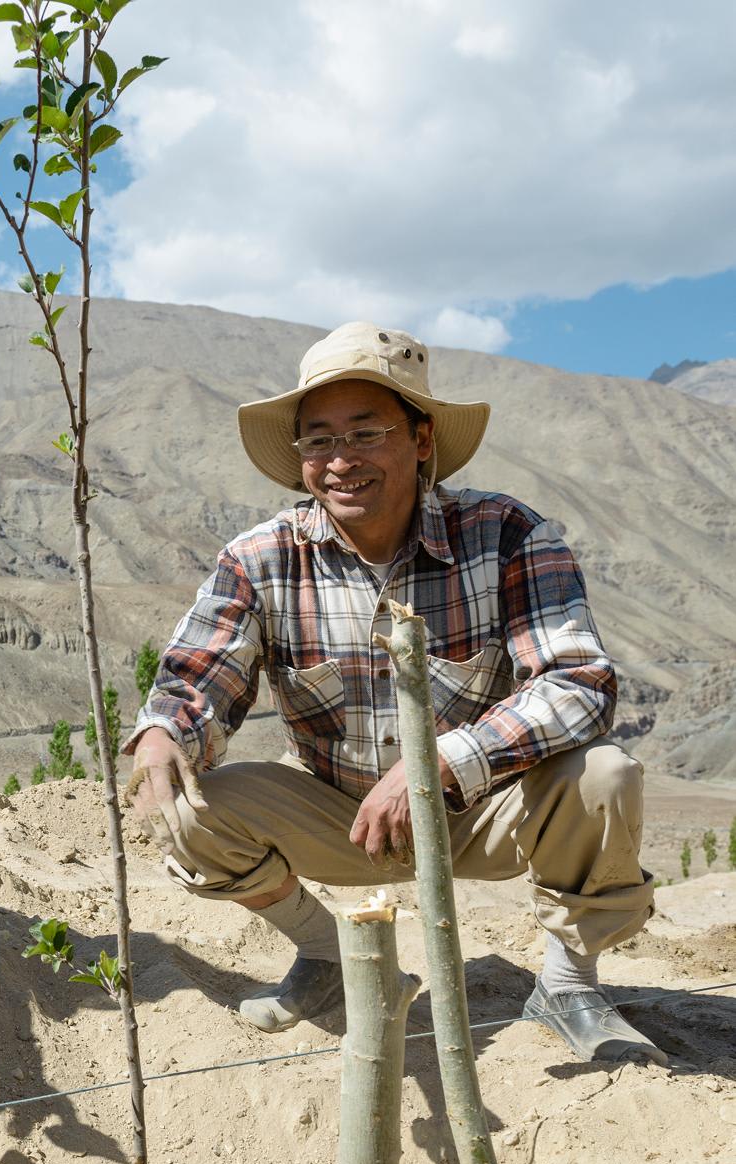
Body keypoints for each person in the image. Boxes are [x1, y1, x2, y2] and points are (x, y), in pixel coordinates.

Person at [124, 322, 665, 1067]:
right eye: (316, 441)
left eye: (364, 433)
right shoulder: (260, 558)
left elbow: (579, 685)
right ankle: (327, 959)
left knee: (605, 774)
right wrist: (166, 733)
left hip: (480, 809)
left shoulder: (507, 535)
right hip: (342, 819)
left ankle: (569, 986)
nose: (338, 461)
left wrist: (441, 762)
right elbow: (198, 675)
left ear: (420, 439)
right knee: (185, 795)